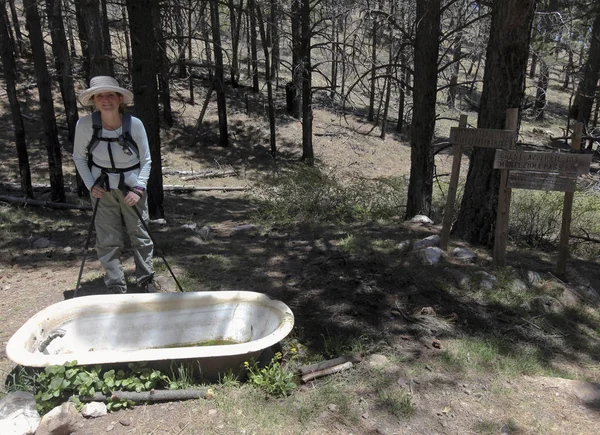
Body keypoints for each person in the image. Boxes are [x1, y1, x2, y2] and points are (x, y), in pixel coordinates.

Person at [73, 75, 158, 294]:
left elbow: (146, 159)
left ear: (120, 98)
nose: (105, 99)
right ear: (94, 100)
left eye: (110, 94)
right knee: (107, 238)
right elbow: (79, 157)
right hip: (101, 189)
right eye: (100, 95)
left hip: (132, 188)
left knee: (140, 233)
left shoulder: (134, 124)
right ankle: (115, 284)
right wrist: (91, 185)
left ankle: (146, 279)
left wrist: (139, 188)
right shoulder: (85, 125)